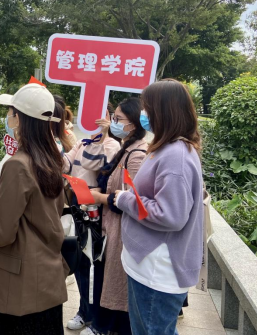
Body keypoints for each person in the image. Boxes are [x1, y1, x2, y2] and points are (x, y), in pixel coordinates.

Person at [91, 80, 204, 336]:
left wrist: (124, 199)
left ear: (163, 111)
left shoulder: (175, 156)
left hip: (157, 269)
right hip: (149, 263)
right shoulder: (168, 148)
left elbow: (170, 215)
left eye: (147, 108)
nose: (144, 114)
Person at [0, 83, 69, 336]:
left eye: (10, 113)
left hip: (22, 283)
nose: (8, 119)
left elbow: (2, 234)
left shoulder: (18, 165)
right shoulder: (51, 159)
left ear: (19, 119)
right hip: (48, 273)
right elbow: (41, 211)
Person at [82, 98, 148, 336]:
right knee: (106, 278)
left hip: (122, 231)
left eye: (118, 119)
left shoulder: (137, 154)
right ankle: (104, 325)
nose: (114, 123)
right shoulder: (126, 147)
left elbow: (133, 201)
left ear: (134, 124)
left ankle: (108, 327)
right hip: (111, 227)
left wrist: (100, 197)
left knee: (116, 283)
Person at [64, 107, 121, 333]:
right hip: (78, 206)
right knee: (80, 261)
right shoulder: (82, 142)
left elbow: (96, 165)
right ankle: (84, 311)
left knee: (95, 264)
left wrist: (102, 136)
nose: (95, 118)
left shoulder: (112, 145)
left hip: (97, 210)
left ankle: (97, 318)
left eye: (103, 114)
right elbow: (65, 164)